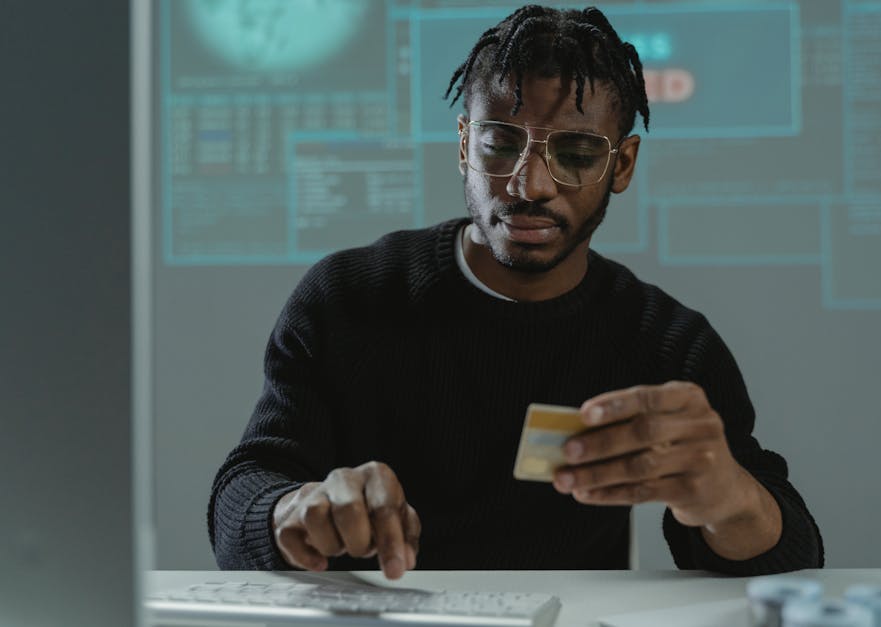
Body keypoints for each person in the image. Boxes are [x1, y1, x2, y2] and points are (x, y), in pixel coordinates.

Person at [208, 5, 823, 580]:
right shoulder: (349, 298)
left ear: (623, 165)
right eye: (500, 143)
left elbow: (792, 552)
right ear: (462, 144)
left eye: (577, 153)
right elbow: (246, 490)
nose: (528, 184)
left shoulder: (665, 344)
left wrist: (729, 498)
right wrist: (291, 511)